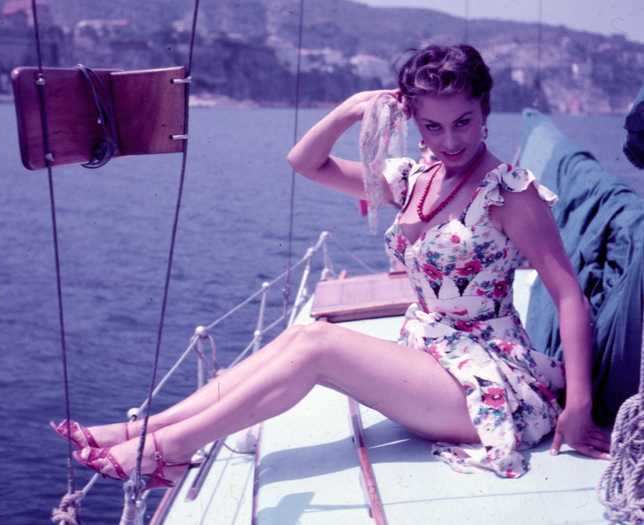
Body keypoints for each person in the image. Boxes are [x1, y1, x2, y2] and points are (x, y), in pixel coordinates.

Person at [52, 44, 610, 485]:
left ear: (485, 111)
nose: (449, 140)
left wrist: (579, 407)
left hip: (490, 385)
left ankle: (168, 451)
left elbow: (567, 295)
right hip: (434, 352)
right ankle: (144, 427)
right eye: (433, 127)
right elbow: (306, 162)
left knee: (319, 347)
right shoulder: (416, 178)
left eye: (463, 122)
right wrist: (350, 108)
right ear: (415, 121)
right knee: (303, 336)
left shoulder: (509, 193)